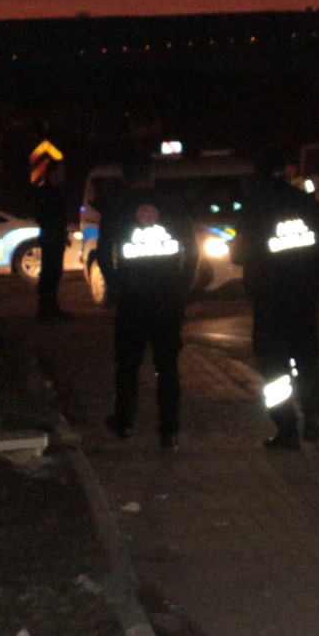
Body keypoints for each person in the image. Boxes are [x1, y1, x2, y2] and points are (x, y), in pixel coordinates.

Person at [235, 150, 319, 449]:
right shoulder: (306, 202)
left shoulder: (255, 207)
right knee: (306, 359)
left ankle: (286, 429)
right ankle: (312, 417)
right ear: (287, 171)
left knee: (274, 368)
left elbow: (239, 253)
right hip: (304, 296)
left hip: (269, 301)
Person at [99, 160, 199, 449]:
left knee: (128, 365)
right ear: (151, 178)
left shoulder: (117, 209)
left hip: (132, 300)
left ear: (126, 179)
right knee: (167, 365)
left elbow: (105, 254)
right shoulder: (172, 206)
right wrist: (181, 285)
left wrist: (116, 284)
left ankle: (124, 422)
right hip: (168, 299)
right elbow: (191, 250)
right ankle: (169, 430)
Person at [28, 149, 71, 319]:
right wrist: (56, 232)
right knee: (50, 272)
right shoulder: (46, 192)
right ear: (53, 173)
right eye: (61, 172)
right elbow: (45, 216)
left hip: (55, 236)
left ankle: (50, 307)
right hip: (51, 236)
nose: (64, 175)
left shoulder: (55, 191)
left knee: (54, 272)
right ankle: (47, 309)